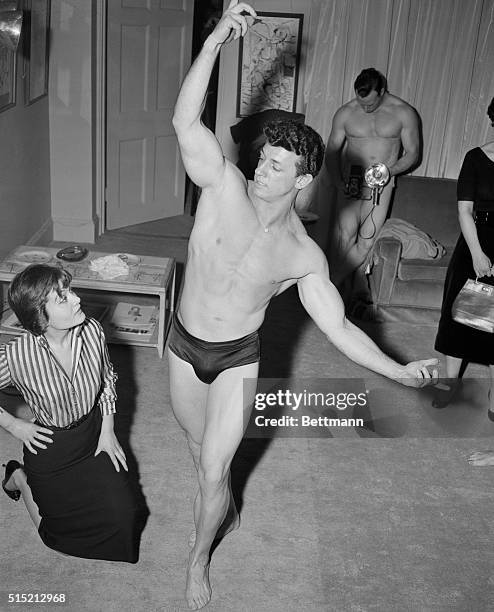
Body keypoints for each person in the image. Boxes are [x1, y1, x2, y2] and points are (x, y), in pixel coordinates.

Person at [170, 2, 437, 609]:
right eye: (263, 159)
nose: (262, 170)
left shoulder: (302, 256)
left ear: (301, 181)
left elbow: (338, 328)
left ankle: (197, 556)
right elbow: (186, 122)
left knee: (213, 469)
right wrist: (214, 41)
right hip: (183, 345)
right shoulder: (220, 187)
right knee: (195, 452)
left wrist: (397, 370)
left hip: (237, 356)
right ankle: (220, 507)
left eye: (276, 168)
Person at [1, 264, 139, 562]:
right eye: (62, 297)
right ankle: (20, 478)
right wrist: (14, 425)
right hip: (50, 447)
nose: (76, 299)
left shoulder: (92, 331)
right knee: (58, 535)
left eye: (70, 290)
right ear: (39, 314)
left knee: (124, 517)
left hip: (93, 433)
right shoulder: (16, 355)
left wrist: (108, 430)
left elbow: (108, 378)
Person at [306, 68, 420, 300]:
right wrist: (338, 182)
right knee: (344, 237)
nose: (365, 108)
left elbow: (412, 153)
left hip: (381, 183)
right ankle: (353, 292)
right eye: (361, 102)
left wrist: (389, 171)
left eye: (370, 103)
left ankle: (330, 285)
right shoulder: (346, 113)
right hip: (351, 180)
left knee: (367, 240)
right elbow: (332, 152)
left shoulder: (404, 112)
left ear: (382, 91)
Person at [434, 98, 494, 416]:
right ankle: (448, 384)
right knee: (459, 319)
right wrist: (478, 255)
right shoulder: (475, 158)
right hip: (476, 241)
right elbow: (465, 210)